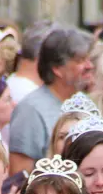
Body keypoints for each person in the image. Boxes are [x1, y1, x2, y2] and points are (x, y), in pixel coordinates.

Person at [8, 27, 95, 175]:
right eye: (80, 60)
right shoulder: (30, 110)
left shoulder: (88, 104)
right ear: (57, 69)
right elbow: (19, 177)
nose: (89, 66)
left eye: (88, 59)